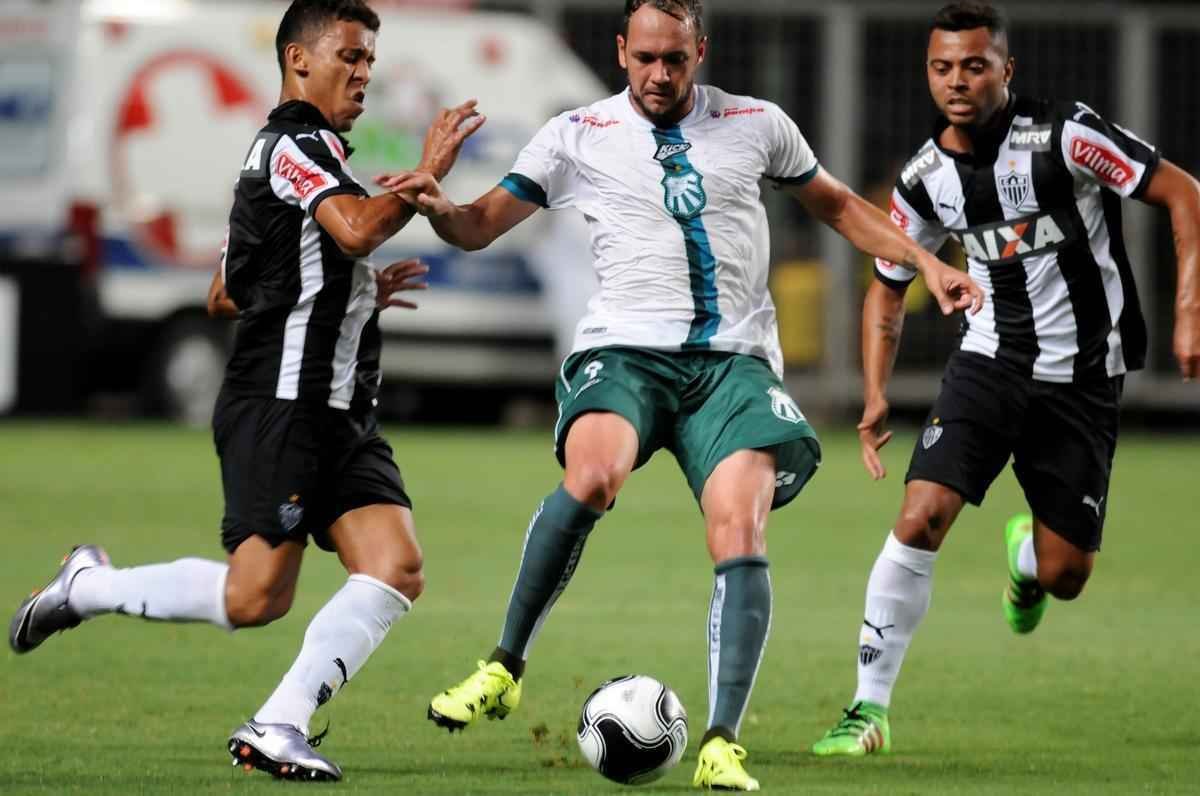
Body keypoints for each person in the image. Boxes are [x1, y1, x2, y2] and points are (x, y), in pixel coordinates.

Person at [379, 0, 981, 789]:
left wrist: (923, 261)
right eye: (645, 59)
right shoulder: (577, 134)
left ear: (702, 49)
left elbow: (837, 206)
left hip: (731, 363)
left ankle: (722, 740)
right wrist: (440, 207)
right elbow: (480, 226)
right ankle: (503, 666)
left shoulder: (759, 122)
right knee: (592, 476)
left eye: (676, 60)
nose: (659, 75)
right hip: (624, 352)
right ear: (621, 49)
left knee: (740, 529)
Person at [8, 0, 482, 781]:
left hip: (339, 410)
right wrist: (425, 174)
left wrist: (349, 285)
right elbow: (356, 229)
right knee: (256, 596)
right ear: (298, 59)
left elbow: (225, 291)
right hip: (281, 401)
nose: (364, 72)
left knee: (394, 566)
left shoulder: (316, 158)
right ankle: (88, 586)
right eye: (349, 56)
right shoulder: (291, 144)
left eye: (370, 59)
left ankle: (278, 724)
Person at [811, 1, 1200, 757]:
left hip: (1084, 378)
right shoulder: (925, 181)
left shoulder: (1067, 136)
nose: (957, 82)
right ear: (929, 73)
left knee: (1066, 575)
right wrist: (875, 392)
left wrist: (1190, 312)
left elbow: (1183, 193)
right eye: (942, 67)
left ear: (1005, 69)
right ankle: (867, 709)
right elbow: (888, 284)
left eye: (974, 65)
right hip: (988, 365)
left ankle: (1027, 558)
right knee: (921, 515)